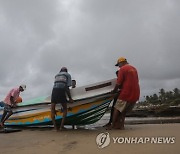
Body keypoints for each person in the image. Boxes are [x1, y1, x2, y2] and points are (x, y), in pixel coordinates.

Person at [108, 57, 140, 130]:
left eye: (118, 64)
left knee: (117, 108)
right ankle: (121, 126)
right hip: (136, 92)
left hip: (126, 92)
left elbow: (118, 83)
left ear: (121, 63)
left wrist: (114, 91)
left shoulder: (122, 69)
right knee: (124, 110)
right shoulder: (134, 69)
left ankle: (112, 126)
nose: (118, 66)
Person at [51, 67, 74, 131]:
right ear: (66, 71)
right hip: (61, 91)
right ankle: (61, 127)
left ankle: (55, 128)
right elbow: (67, 87)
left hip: (54, 91)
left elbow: (56, 84)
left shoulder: (56, 75)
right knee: (65, 109)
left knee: (52, 110)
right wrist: (70, 98)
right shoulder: (67, 75)